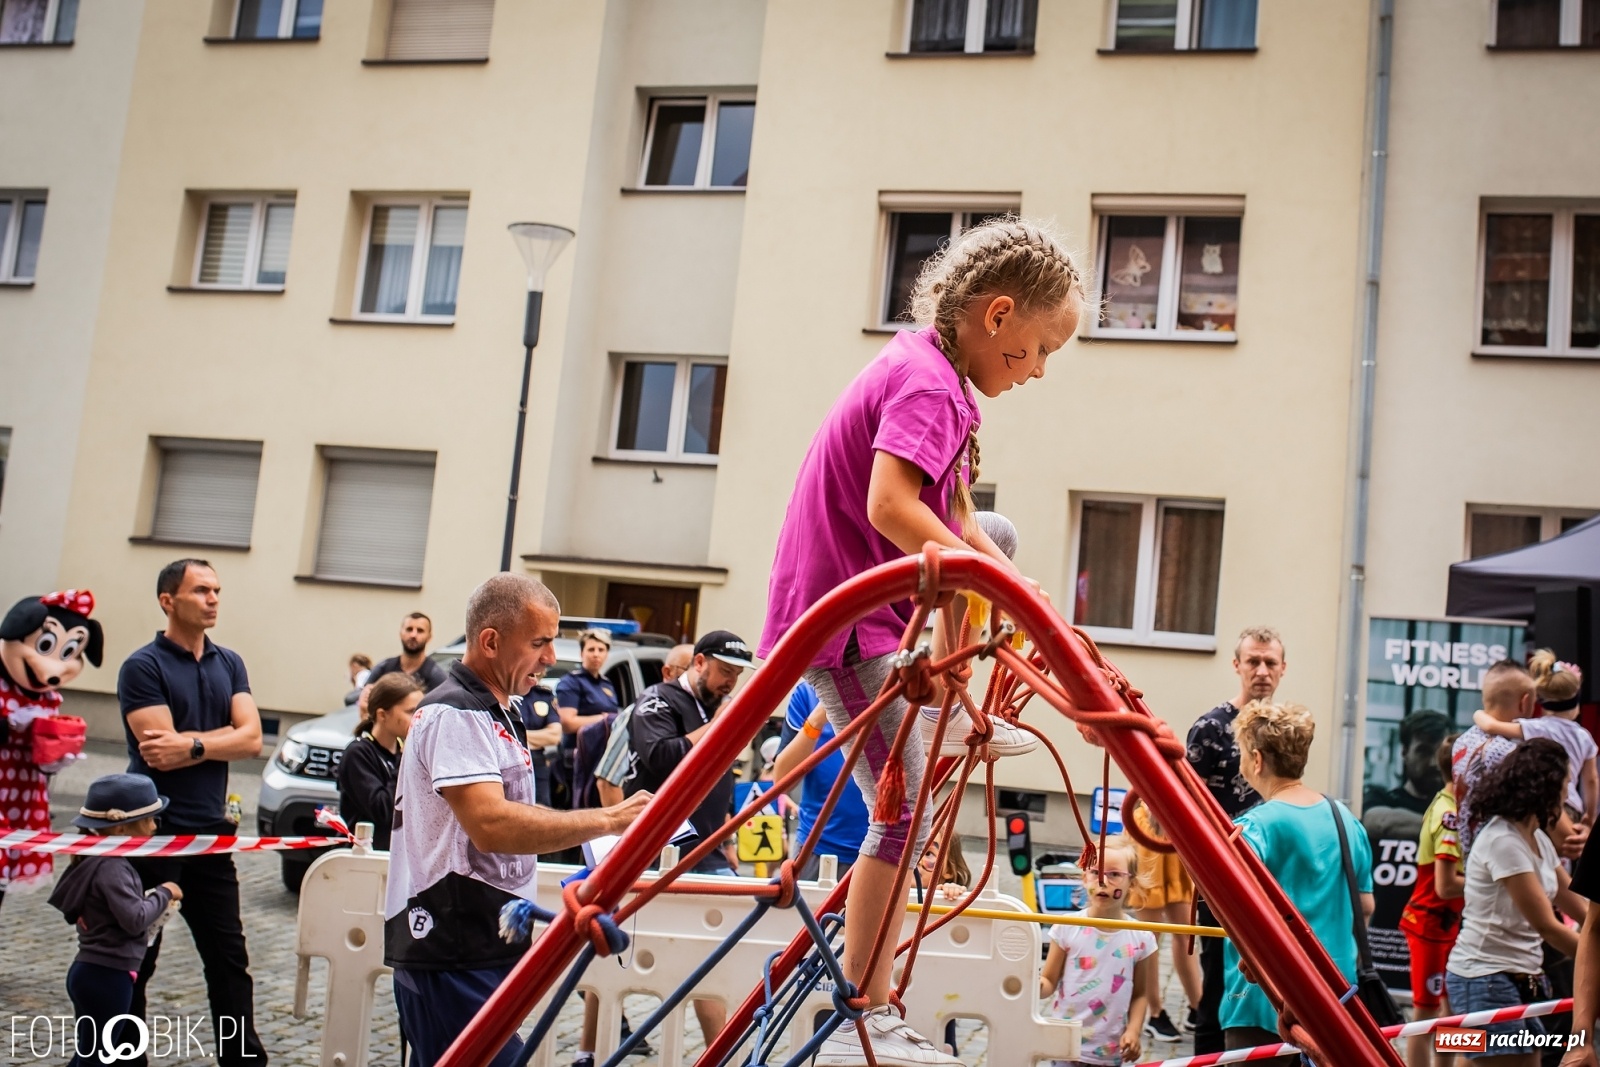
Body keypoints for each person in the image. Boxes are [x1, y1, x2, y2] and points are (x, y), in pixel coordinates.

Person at [759, 216, 1086, 1066]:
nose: (1039, 370)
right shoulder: (929, 387)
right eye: (1038, 349)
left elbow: (963, 521)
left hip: (867, 612)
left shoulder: (934, 374)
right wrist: (991, 585)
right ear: (999, 315)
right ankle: (860, 1013)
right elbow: (890, 506)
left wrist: (1018, 589)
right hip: (843, 622)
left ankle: (956, 701)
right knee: (900, 813)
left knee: (996, 544)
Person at [382, 574, 650, 1067]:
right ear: (490, 642)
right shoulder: (456, 713)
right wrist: (609, 819)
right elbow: (492, 825)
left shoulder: (502, 709)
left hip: (478, 941)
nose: (551, 658)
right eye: (539, 643)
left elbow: (513, 816)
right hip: (449, 947)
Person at [118, 558, 266, 1067]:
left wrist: (194, 744)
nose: (213, 598)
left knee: (229, 961)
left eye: (216, 590)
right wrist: (223, 738)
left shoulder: (230, 663)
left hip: (210, 835)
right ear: (168, 600)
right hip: (153, 834)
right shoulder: (143, 666)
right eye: (201, 590)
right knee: (135, 960)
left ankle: (242, 1060)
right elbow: (159, 752)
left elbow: (253, 740)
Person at [619, 630, 754, 1056]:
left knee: (714, 955)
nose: (730, 682)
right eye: (725, 671)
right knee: (623, 953)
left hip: (708, 848)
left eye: (737, 675)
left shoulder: (712, 707)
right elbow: (661, 756)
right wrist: (719, 727)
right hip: (657, 849)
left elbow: (722, 773)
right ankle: (592, 1048)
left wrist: (728, 834)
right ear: (698, 663)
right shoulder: (658, 699)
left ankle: (721, 1053)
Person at [1221, 701, 1372, 1064]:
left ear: (1257, 760)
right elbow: (1365, 906)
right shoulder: (1346, 819)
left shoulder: (1253, 827)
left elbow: (1232, 902)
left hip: (1264, 998)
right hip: (1336, 992)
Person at [1446, 739, 1588, 1067]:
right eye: (1566, 784)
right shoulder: (1503, 840)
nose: (1567, 794)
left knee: (1527, 1059)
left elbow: (1578, 905)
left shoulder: (1536, 838)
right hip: (1484, 978)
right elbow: (1548, 927)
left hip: (1518, 977)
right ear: (1546, 787)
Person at [1186, 626, 1286, 1054]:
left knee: (1268, 978)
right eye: (1253, 661)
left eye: (1269, 662)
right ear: (1237, 665)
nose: (1261, 670)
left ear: (1283, 669)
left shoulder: (1283, 730)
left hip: (1270, 874)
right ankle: (1208, 1059)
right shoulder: (1210, 728)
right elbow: (1185, 807)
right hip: (1221, 876)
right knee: (1217, 981)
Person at [48, 774, 182, 1067]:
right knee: (99, 1057)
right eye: (149, 820)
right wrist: (163, 892)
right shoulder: (113, 868)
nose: (154, 827)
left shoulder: (95, 860)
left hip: (91, 973)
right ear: (121, 828)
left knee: (89, 1054)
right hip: (108, 977)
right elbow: (135, 919)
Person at [1037, 835, 1157, 1067]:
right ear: (1085, 878)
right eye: (1096, 872)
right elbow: (1049, 981)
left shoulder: (1142, 938)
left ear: (1131, 883)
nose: (1103, 881)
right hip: (1065, 1047)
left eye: (1114, 874)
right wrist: (1031, 984)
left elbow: (1140, 994)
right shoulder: (1066, 928)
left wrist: (1133, 1031)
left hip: (1110, 1053)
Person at [1472, 652, 1596, 830]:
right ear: (1575, 704)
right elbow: (1591, 780)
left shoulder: (1535, 728)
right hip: (1572, 808)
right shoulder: (1584, 737)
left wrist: (1478, 713)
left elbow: (1491, 726)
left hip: (1543, 806)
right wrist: (1589, 816)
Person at [1400, 735, 1466, 1067]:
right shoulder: (1448, 813)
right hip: (1429, 927)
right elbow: (1445, 885)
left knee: (1452, 1011)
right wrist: (1489, 883)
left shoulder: (1452, 805)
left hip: (1448, 926)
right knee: (1424, 1015)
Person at [775, 680, 870, 880]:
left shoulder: (899, 688)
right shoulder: (808, 693)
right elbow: (782, 781)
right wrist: (816, 720)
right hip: (816, 847)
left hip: (882, 850)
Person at [1454, 661, 1543, 858]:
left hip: (1473, 859)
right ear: (1525, 702)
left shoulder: (1462, 742)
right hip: (1507, 861)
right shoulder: (1509, 753)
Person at [1128, 803, 1199, 1045]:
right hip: (1150, 827)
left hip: (1176, 827)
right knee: (1150, 939)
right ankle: (1155, 1013)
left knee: (1187, 933)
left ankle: (1197, 1006)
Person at [336, 672, 423, 850]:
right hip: (365, 858)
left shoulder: (401, 750)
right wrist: (405, 761)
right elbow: (382, 810)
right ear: (382, 715)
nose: (418, 719)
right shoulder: (358, 754)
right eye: (410, 712)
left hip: (400, 855)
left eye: (420, 711)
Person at [554, 629, 620, 810]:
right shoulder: (571, 682)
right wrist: (603, 719)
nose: (596, 654)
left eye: (601, 649)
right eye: (591, 649)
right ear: (581, 653)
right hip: (578, 759)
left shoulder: (607, 683)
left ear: (607, 654)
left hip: (602, 757)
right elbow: (567, 723)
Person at [365, 612, 447, 694]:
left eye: (420, 630)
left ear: (429, 637)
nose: (413, 635)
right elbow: (363, 696)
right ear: (401, 633)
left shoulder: (437, 677)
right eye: (409, 629)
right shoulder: (383, 668)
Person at [518, 669, 563, 808]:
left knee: (543, 811)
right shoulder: (504, 696)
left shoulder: (544, 695)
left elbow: (554, 736)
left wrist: (515, 736)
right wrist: (537, 738)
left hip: (537, 765)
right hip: (510, 764)